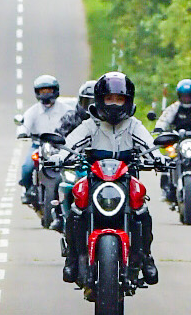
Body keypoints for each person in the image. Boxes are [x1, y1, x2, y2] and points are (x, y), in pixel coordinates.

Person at [61, 71, 160, 286]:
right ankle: (73, 256)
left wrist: (160, 159)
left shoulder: (134, 125)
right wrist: (58, 157)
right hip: (94, 178)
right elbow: (71, 143)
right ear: (100, 100)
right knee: (76, 204)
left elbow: (150, 145)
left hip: (125, 178)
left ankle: (145, 257)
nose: (114, 104)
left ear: (128, 100)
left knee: (141, 209)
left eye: (119, 99)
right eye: (109, 99)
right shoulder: (90, 125)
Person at [17, 74, 72, 205]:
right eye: (43, 91)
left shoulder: (66, 110)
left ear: (56, 91)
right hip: (38, 146)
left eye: (49, 90)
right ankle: (28, 190)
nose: (46, 94)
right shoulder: (32, 111)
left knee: (71, 168)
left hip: (60, 147)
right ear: (37, 93)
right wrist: (22, 133)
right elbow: (24, 125)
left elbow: (75, 123)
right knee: (27, 167)